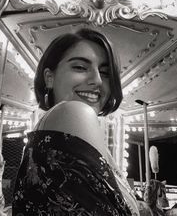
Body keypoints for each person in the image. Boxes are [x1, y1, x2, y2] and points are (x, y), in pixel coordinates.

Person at [12, 28, 139, 215]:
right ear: (49, 78)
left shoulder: (49, 135)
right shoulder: (74, 112)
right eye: (80, 67)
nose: (96, 80)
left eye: (104, 73)